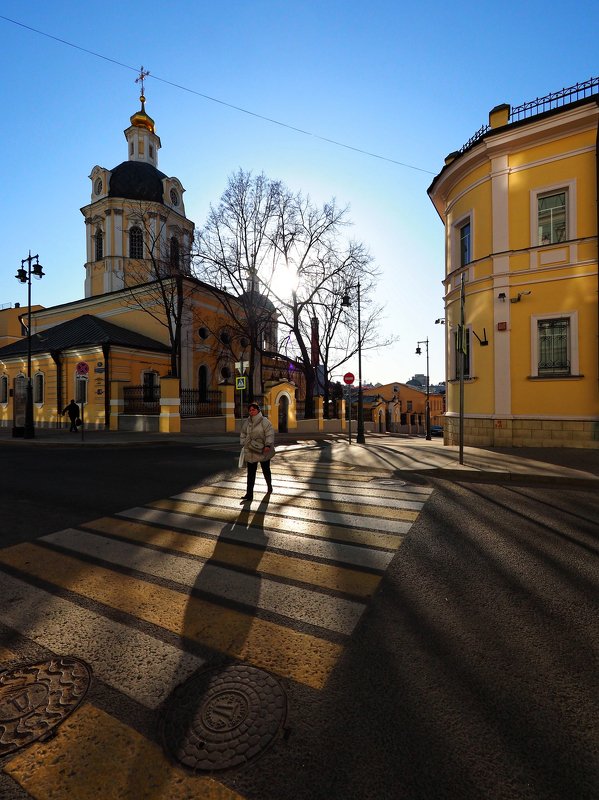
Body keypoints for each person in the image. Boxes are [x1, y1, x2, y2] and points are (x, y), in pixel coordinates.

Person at [239, 402, 275, 502]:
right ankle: (249, 494)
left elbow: (270, 433)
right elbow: (243, 433)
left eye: (253, 409)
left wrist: (268, 445)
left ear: (258, 410)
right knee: (250, 473)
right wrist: (243, 441)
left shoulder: (264, 421)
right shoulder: (247, 422)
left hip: (263, 450)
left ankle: (269, 486)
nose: (251, 412)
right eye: (250, 410)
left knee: (266, 470)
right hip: (251, 450)